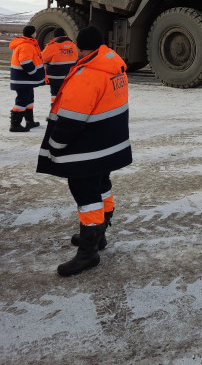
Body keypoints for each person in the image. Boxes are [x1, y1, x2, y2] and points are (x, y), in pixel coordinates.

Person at [37, 25, 132, 277]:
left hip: (90, 150)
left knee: (85, 193)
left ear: (80, 47)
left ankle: (88, 253)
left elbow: (70, 120)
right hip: (109, 145)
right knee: (103, 184)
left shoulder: (88, 75)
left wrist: (55, 147)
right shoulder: (114, 66)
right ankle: (99, 235)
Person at [9, 25, 45, 132]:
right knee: (22, 100)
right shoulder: (27, 45)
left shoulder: (26, 43)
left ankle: (30, 122)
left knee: (29, 99)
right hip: (23, 79)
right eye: (35, 32)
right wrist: (34, 73)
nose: (36, 34)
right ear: (32, 34)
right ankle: (15, 125)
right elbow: (25, 62)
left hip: (24, 79)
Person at [41, 27, 78, 104]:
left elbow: (42, 58)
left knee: (55, 94)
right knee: (66, 93)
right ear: (65, 34)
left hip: (55, 77)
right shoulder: (73, 45)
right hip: (69, 76)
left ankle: (55, 110)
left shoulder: (53, 45)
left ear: (55, 36)